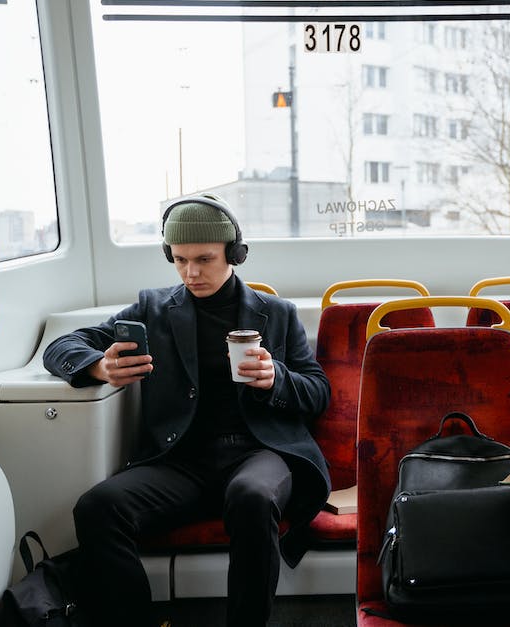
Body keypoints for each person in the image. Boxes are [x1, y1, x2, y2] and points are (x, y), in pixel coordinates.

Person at [43, 195, 331, 627]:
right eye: (179, 260)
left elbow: (318, 391)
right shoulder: (153, 309)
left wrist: (278, 379)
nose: (191, 272)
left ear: (234, 255)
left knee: (252, 496)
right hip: (182, 460)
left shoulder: (279, 314)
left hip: (261, 451)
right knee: (97, 507)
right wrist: (99, 366)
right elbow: (61, 346)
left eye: (204, 259)